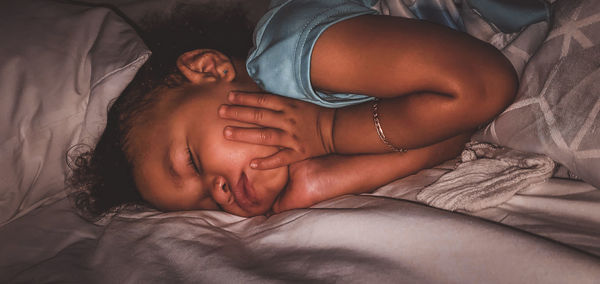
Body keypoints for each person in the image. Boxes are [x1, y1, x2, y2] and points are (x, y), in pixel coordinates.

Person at [70, 0, 522, 218]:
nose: (222, 192)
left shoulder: (292, 53)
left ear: (208, 69)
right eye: (206, 203)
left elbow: (483, 87)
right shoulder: (310, 145)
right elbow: (457, 130)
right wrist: (324, 178)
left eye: (192, 161)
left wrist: (332, 131)